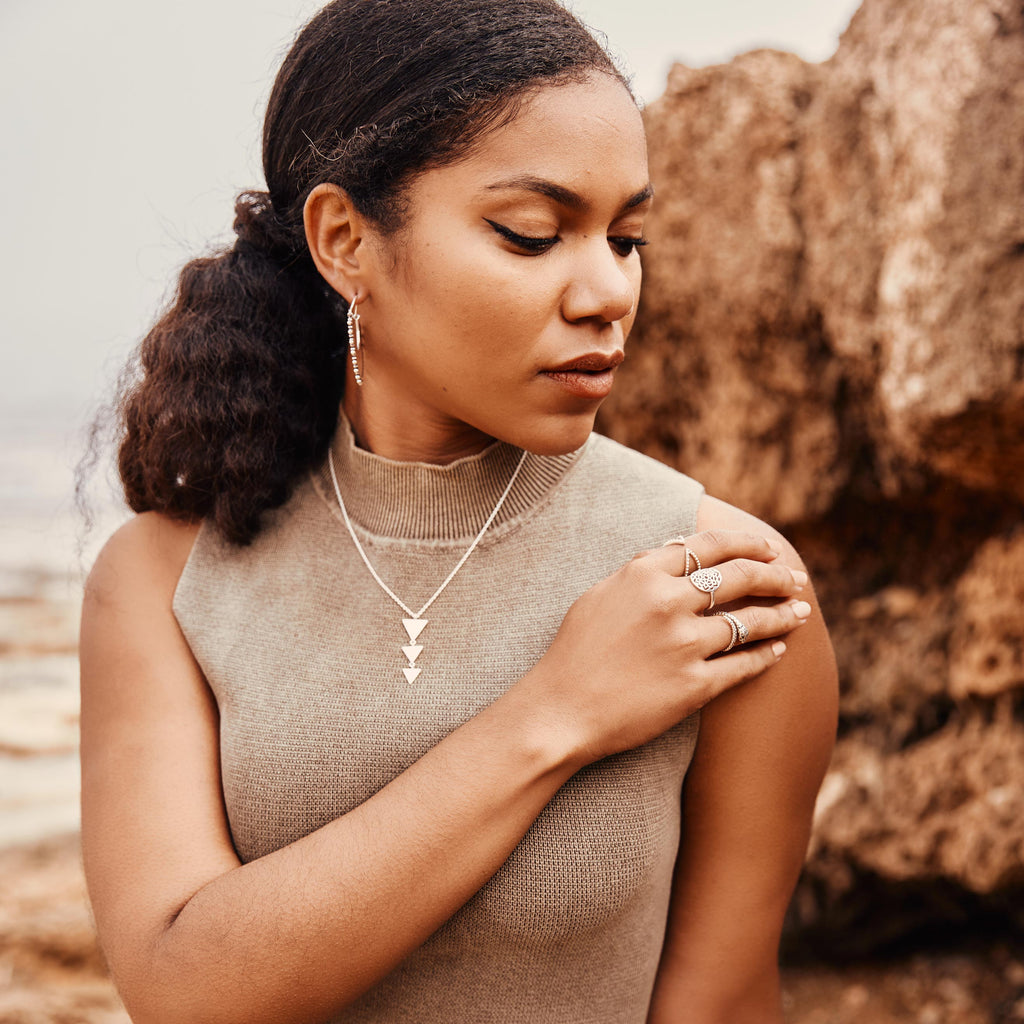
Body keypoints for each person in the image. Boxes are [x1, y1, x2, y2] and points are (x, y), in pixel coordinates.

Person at [79, 1, 838, 1021]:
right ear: (345, 240)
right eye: (532, 235)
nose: (607, 289)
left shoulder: (717, 589)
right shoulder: (166, 582)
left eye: (626, 237)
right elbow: (183, 987)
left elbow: (723, 1000)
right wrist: (555, 715)